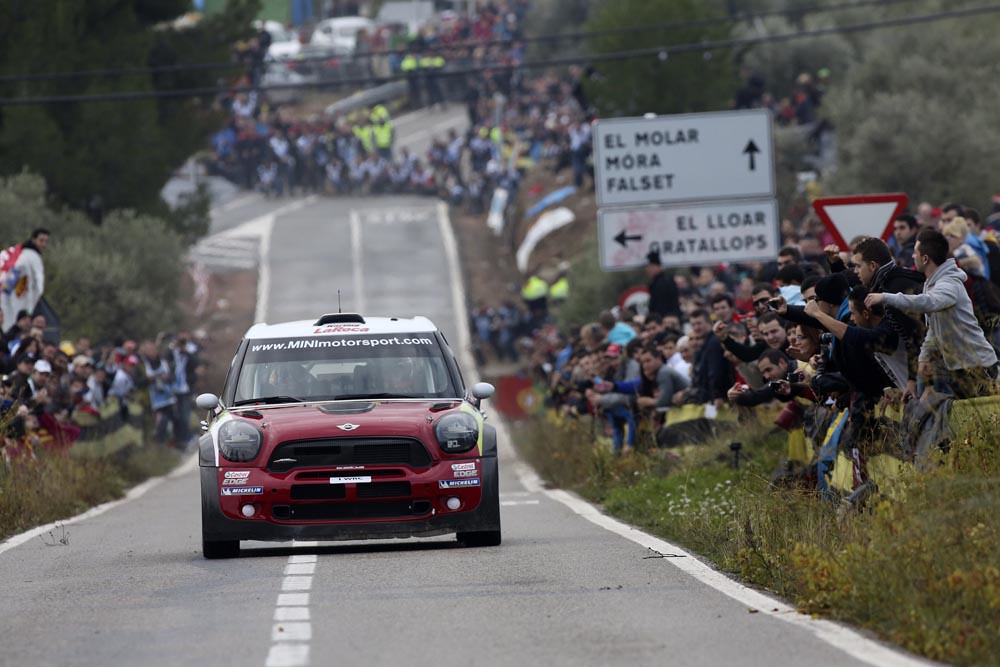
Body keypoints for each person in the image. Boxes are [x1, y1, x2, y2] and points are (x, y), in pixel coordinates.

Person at [867, 228, 998, 398]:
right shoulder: (932, 284)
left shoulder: (949, 284)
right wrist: (923, 359)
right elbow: (934, 331)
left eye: (915, 252)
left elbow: (927, 302)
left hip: (978, 366)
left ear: (925, 258)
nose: (913, 256)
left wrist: (885, 297)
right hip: (960, 369)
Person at [0, 228, 49, 328]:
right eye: (41, 240)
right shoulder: (31, 256)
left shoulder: (19, 254)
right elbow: (39, 285)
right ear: (33, 239)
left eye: (46, 241)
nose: (43, 245)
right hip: (20, 299)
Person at [645, 250, 679, 318]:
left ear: (656, 266)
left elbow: (660, 307)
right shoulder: (666, 280)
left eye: (649, 267)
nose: (647, 270)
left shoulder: (661, 283)